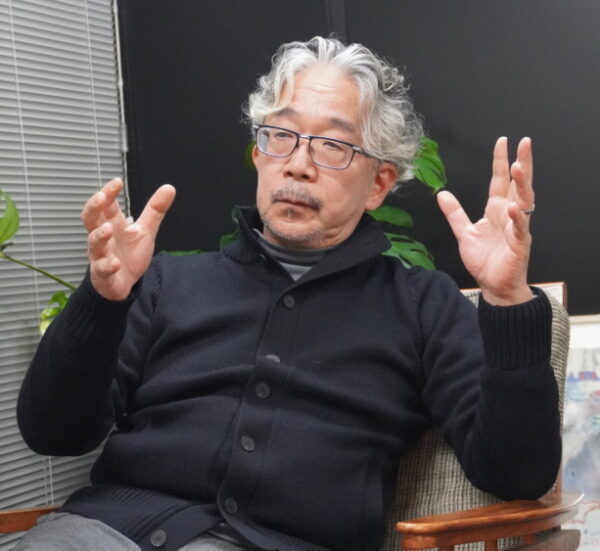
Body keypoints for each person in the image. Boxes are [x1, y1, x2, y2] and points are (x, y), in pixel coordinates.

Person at [15, 36, 560, 551]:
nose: (298, 165)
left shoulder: (421, 306)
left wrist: (507, 298)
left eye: (332, 145)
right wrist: (102, 301)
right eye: (281, 135)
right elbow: (53, 433)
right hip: (99, 533)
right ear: (259, 153)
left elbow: (516, 473)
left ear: (378, 184)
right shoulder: (165, 283)